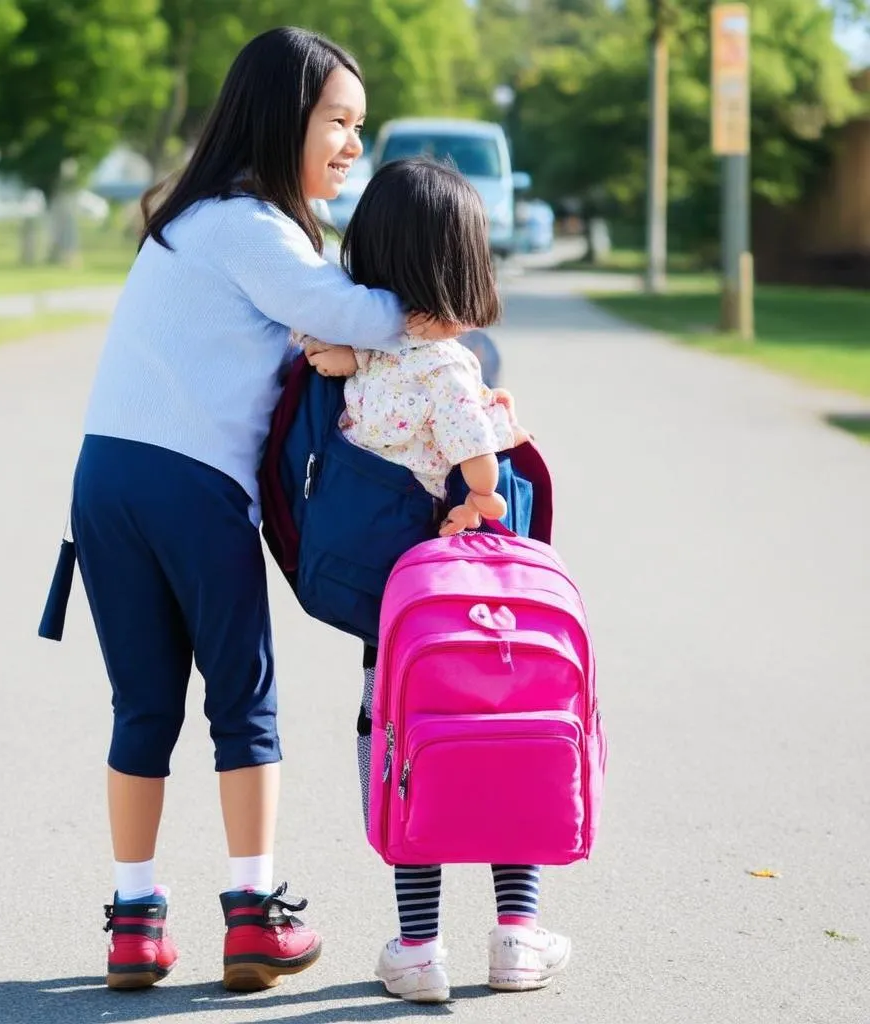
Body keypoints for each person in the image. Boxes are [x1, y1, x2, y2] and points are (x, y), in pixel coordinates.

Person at [67, 27, 454, 993]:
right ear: (286, 114)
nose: (352, 145)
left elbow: (294, 336)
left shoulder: (187, 225)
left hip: (103, 481)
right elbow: (366, 316)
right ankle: (254, 913)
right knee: (242, 703)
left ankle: (134, 922)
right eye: (339, 121)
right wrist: (446, 309)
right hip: (194, 487)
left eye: (359, 128)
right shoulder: (255, 227)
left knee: (143, 704)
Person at [302, 159, 571, 1002]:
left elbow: (344, 376)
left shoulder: (371, 362)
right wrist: (485, 493)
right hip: (474, 607)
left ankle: (417, 948)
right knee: (503, 742)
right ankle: (517, 938)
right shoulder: (450, 368)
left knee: (405, 756)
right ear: (465, 262)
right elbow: (473, 457)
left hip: (398, 615)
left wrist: (333, 350)